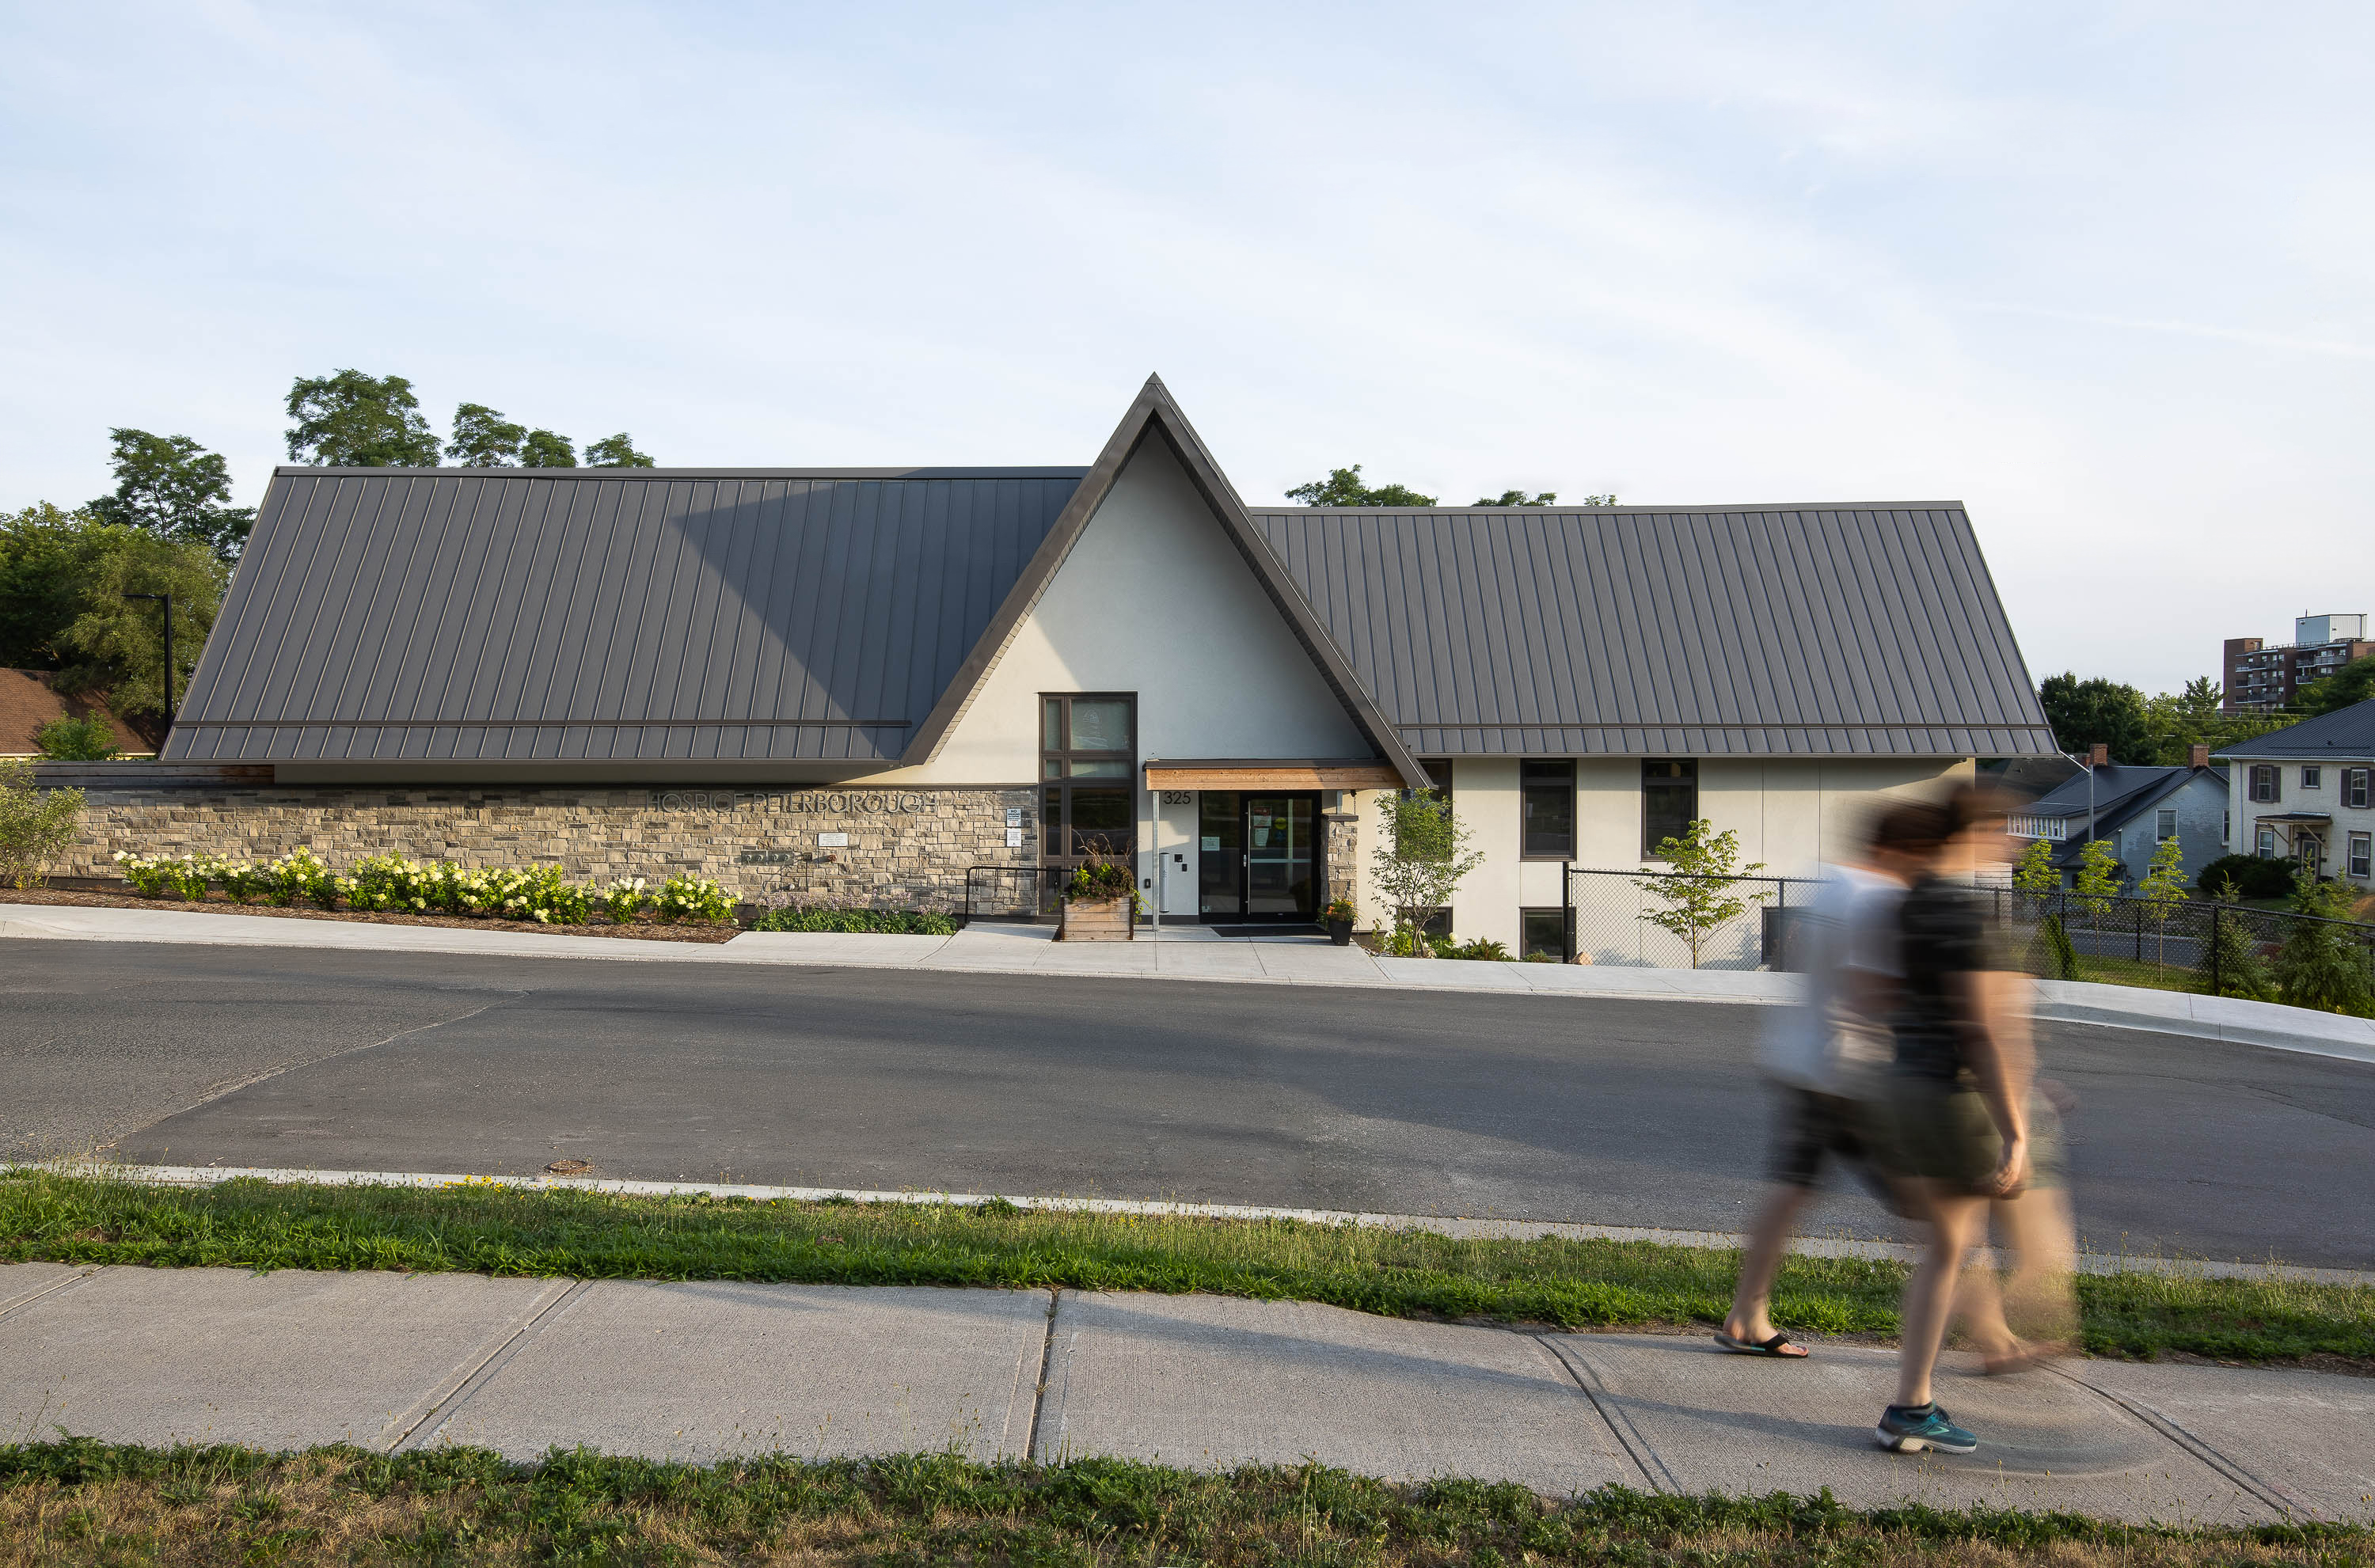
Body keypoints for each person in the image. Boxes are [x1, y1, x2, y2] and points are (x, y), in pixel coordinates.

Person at [1717, 802, 1945, 1357]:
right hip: (1854, 1072)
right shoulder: (1876, 897)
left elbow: (1802, 952)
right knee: (1938, 1208)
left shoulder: (1834, 882)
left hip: (1806, 1059)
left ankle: (1748, 1311)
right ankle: (1992, 1334)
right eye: (1929, 856)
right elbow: (1871, 990)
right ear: (1906, 850)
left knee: (1792, 1189)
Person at [1875, 785, 2035, 1455]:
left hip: (1906, 1080)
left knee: (1947, 1247)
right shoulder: (1964, 911)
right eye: (2004, 831)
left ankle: (1914, 1401)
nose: (2012, 843)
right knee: (1951, 1248)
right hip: (1950, 1093)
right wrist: (2016, 1128)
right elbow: (1978, 1029)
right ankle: (1910, 1404)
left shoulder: (1909, 902)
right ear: (1975, 833)